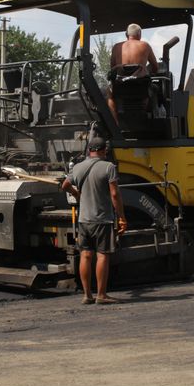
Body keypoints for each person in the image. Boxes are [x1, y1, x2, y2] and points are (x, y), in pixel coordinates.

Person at [61, 136, 128, 304]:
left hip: (84, 220)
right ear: (103, 150)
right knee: (103, 256)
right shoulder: (108, 167)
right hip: (102, 220)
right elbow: (114, 194)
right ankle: (101, 295)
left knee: (85, 255)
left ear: (89, 150)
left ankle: (86, 295)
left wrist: (77, 194)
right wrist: (121, 217)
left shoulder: (77, 168)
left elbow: (65, 185)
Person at [106, 23, 160, 118]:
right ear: (139, 34)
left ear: (127, 34)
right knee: (154, 89)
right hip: (140, 87)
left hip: (120, 87)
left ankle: (115, 122)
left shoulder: (116, 47)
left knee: (109, 94)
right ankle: (145, 117)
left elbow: (113, 68)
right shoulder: (145, 45)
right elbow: (155, 67)